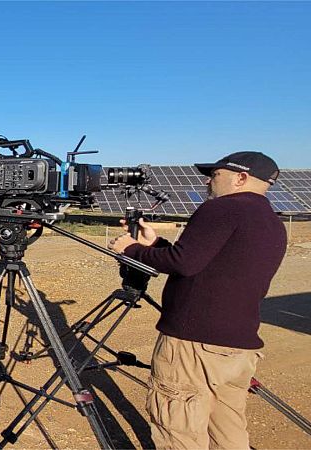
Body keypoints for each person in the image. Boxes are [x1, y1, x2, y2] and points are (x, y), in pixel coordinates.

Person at [109, 151, 287, 449]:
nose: (208, 180)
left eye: (216, 175)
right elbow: (207, 261)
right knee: (228, 433)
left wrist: (131, 249)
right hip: (237, 350)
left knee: (179, 431)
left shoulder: (222, 208)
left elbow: (184, 264)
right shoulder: (272, 222)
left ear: (240, 177)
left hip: (194, 346)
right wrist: (155, 244)